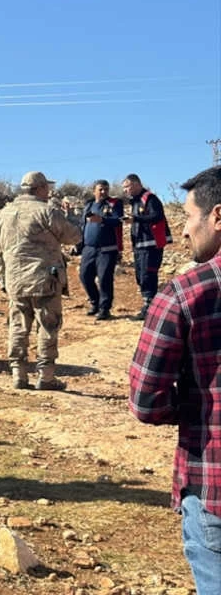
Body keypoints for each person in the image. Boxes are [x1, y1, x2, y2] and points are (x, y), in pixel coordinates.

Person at [128, 166, 221, 592]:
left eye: (189, 217)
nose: (183, 231)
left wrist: (196, 407)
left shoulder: (186, 293)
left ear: (217, 217)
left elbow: (147, 401)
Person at [0, 171, 82, 390]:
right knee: (48, 326)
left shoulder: (2, 214)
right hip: (44, 279)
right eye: (47, 188)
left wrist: (4, 278)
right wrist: (71, 218)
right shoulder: (48, 211)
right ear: (40, 188)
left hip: (15, 280)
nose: (49, 191)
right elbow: (74, 236)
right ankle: (46, 376)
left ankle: (18, 374)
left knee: (18, 325)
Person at [123, 174, 175, 320]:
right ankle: (149, 304)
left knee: (148, 275)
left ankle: (150, 308)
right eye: (124, 188)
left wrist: (136, 219)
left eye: (127, 186)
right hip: (139, 245)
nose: (126, 190)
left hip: (151, 245)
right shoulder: (135, 202)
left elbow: (157, 216)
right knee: (140, 276)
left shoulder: (150, 198)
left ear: (137, 184)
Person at [79, 179, 124, 321]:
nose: (104, 192)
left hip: (107, 249)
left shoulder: (114, 204)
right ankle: (95, 302)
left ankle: (105, 308)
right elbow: (82, 224)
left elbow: (118, 220)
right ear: (94, 191)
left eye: (106, 189)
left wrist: (102, 220)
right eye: (101, 189)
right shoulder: (89, 205)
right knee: (85, 276)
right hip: (89, 248)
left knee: (104, 278)